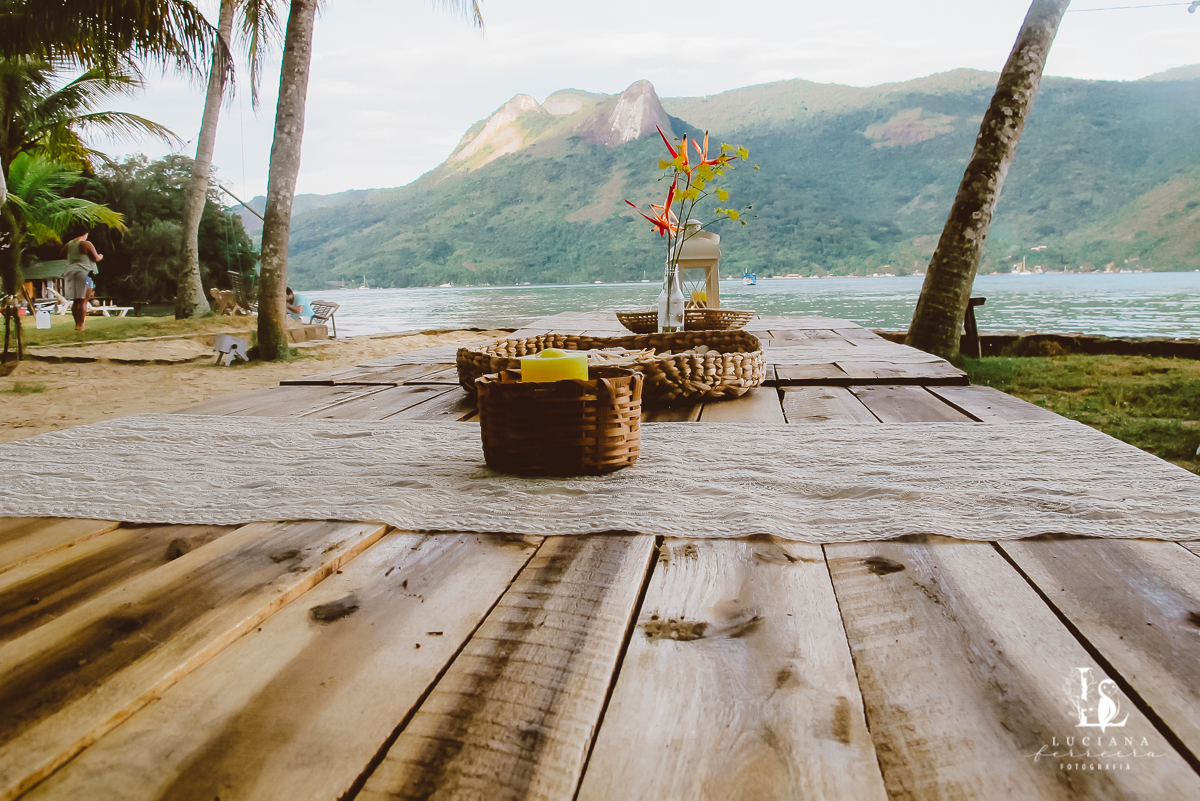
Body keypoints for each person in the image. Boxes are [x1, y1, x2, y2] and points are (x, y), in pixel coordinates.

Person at [60, 233, 102, 331]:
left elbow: (62, 255)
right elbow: (95, 258)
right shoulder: (86, 244)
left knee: (76, 300)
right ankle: (82, 325)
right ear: (85, 233)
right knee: (83, 300)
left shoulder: (69, 244)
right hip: (84, 272)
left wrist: (73, 258)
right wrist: (100, 256)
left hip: (71, 272)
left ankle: (77, 324)